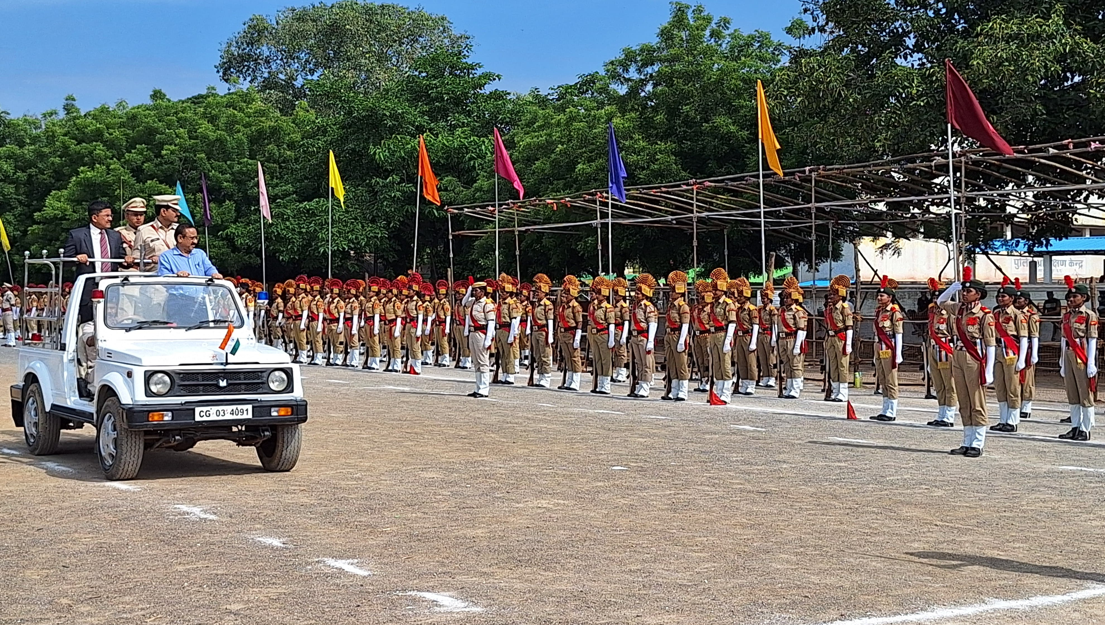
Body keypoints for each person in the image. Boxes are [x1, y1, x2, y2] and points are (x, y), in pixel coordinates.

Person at [937, 266, 996, 458]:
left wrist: (989, 370)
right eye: (963, 291)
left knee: (976, 401)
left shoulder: (985, 314)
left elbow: (990, 344)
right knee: (963, 400)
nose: (964, 294)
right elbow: (940, 302)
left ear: (978, 294)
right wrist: (952, 289)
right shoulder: (959, 309)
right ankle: (966, 441)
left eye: (968, 291)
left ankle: (977, 443)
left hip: (974, 358)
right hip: (958, 355)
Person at [63, 200, 135, 325]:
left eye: (111, 215)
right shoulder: (77, 235)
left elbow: (120, 259)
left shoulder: (115, 236)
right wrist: (77, 258)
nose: (110, 219)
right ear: (94, 218)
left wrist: (128, 261)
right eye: (106, 216)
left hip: (110, 287)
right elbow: (66, 261)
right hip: (88, 288)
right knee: (88, 324)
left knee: (111, 323)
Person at [1058, 276, 1098, 441]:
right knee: (1072, 393)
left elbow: (1092, 339)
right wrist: (1062, 360)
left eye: (1075, 296)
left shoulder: (1089, 315)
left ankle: (1085, 429)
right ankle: (1074, 427)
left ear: (1084, 298)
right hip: (1068, 354)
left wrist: (1091, 363)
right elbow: (1063, 339)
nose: (1071, 299)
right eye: (1069, 297)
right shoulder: (1066, 316)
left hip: (1082, 354)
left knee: (1084, 393)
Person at [990, 277, 1028, 433]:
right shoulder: (995, 313)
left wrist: (1022, 359)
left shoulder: (1017, 315)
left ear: (1011, 299)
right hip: (998, 350)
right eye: (998, 296)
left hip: (1011, 352)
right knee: (1000, 387)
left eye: (1003, 296)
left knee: (1012, 387)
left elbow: (1024, 337)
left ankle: (1012, 420)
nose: (1000, 299)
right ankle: (1002, 419)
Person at [870, 276, 905, 421]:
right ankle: (885, 409)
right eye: (878, 295)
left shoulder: (894, 312)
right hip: (879, 346)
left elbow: (898, 333)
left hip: (889, 346)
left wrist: (898, 353)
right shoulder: (879, 311)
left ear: (889, 298)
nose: (879, 298)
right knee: (882, 378)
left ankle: (891, 411)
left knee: (891, 380)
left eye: (882, 295)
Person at [925, 278, 958, 427]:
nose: (935, 300)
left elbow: (955, 335)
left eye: (938, 297)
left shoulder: (949, 314)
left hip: (945, 350)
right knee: (938, 384)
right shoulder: (932, 313)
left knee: (949, 384)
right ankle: (941, 414)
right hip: (933, 349)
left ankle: (949, 416)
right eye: (934, 297)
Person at [707, 269, 737, 404]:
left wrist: (728, 340)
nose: (714, 292)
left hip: (723, 334)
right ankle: (718, 392)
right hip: (713, 335)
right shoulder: (713, 304)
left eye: (716, 289)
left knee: (725, 365)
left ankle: (726, 393)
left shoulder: (728, 303)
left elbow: (732, 322)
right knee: (717, 365)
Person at [627, 273, 659, 398]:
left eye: (638, 293)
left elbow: (652, 323)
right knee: (639, 363)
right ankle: (640, 385)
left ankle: (645, 387)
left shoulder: (648, 306)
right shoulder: (635, 306)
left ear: (644, 294)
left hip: (644, 337)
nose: (636, 295)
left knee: (646, 363)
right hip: (635, 337)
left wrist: (650, 340)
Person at [824, 275, 854, 403]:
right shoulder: (830, 308)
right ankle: (835, 391)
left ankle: (843, 392)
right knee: (833, 365)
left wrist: (848, 344)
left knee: (842, 365)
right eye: (830, 294)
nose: (830, 297)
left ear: (840, 296)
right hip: (831, 338)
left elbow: (849, 326)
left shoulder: (844, 308)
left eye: (833, 294)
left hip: (841, 338)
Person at [463, 280, 495, 398]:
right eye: (473, 291)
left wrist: (488, 339)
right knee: (476, 362)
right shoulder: (472, 302)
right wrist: (468, 291)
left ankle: (484, 389)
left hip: (481, 333)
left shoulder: (487, 304)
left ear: (482, 292)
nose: (474, 293)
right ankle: (478, 387)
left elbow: (491, 322)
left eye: (475, 290)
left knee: (483, 361)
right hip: (472, 333)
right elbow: (463, 303)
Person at [1013, 280, 1040, 420]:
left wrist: (1034, 353)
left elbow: (1034, 335)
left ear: (1027, 301)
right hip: (1013, 347)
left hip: (1027, 347)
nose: (1017, 301)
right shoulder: (1012, 313)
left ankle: (1026, 406)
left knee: (1027, 379)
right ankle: (1017, 404)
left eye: (1020, 299)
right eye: (1016, 299)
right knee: (1015, 378)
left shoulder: (1031, 315)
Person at [662, 271, 691, 401]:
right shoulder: (671, 305)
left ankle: (683, 391)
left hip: (678, 335)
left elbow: (685, 324)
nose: (671, 293)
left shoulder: (682, 306)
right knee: (672, 364)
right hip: (669, 335)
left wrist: (681, 340)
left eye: (673, 291)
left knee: (681, 364)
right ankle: (674, 390)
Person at [778, 277, 809, 399]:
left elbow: (801, 329)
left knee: (795, 365)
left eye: (788, 297)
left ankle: (795, 389)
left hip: (793, 339)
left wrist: (797, 345)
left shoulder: (798, 311)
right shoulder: (782, 310)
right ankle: (789, 387)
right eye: (785, 297)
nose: (785, 300)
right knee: (787, 364)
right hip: (782, 339)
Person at [156, 225, 222, 279]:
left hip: (202, 292)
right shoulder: (166, 257)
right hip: (177, 292)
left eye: (196, 238)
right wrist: (176, 276)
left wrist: (214, 274)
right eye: (192, 238)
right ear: (180, 238)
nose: (195, 241)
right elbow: (164, 278)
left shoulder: (200, 254)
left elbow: (209, 269)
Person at [730, 277, 759, 396]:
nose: (739, 298)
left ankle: (751, 384)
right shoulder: (738, 309)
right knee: (741, 361)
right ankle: (744, 383)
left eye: (741, 296)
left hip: (748, 335)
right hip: (739, 337)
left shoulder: (752, 309)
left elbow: (756, 325)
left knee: (750, 362)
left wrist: (753, 342)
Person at [587, 277, 616, 395]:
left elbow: (611, 324)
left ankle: (606, 384)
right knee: (597, 359)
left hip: (604, 334)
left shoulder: (608, 308)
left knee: (606, 360)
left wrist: (611, 339)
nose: (596, 295)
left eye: (599, 293)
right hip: (594, 335)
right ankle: (600, 383)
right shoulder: (594, 306)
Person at [136, 195, 183, 268]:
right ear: (163, 212)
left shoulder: (180, 230)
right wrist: (149, 259)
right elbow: (136, 257)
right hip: (154, 273)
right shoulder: (144, 230)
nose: (178, 214)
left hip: (178, 273)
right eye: (174, 211)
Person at [556, 276, 584, 391]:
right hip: (563, 334)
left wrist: (577, 337)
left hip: (571, 333)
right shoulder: (562, 307)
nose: (564, 296)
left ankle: (575, 381)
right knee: (567, 357)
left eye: (566, 294)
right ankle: (569, 379)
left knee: (574, 357)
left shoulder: (575, 307)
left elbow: (579, 322)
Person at [530, 274, 555, 387]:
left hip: (543, 331)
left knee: (545, 355)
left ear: (544, 292)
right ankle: (540, 375)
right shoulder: (536, 304)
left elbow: (550, 320)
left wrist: (550, 335)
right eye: (536, 291)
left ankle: (546, 377)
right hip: (535, 331)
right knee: (538, 355)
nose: (537, 293)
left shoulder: (547, 304)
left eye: (539, 291)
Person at [692, 279, 713, 393]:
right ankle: (702, 380)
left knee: (707, 359)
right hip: (697, 336)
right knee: (699, 359)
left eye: (702, 296)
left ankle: (709, 380)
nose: (700, 298)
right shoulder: (695, 308)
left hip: (707, 335)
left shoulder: (710, 309)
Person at [757, 283, 778, 388]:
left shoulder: (772, 310)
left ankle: (772, 377)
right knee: (762, 357)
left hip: (769, 334)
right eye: (762, 298)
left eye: (764, 298)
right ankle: (765, 376)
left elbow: (775, 325)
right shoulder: (760, 309)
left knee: (771, 357)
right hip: (761, 334)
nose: (762, 300)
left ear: (769, 299)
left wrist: (774, 338)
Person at [115, 197, 147, 267]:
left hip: (149, 269)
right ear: (126, 216)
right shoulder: (118, 233)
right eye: (135, 215)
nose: (138, 218)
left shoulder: (150, 232)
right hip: (128, 269)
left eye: (141, 215)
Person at [612, 278, 631, 383]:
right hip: (614, 329)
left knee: (621, 352)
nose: (615, 296)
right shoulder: (614, 305)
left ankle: (622, 373)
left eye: (617, 294)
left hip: (620, 329)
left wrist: (624, 335)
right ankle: (618, 371)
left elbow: (626, 321)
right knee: (616, 352)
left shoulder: (623, 307)